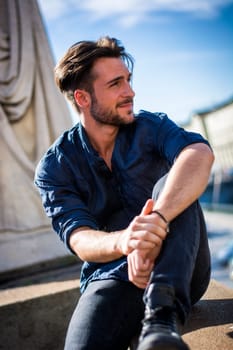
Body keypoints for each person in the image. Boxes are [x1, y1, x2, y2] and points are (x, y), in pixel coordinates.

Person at [34, 36, 214, 350]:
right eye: (116, 84)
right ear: (83, 98)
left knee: (173, 181)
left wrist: (155, 220)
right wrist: (127, 240)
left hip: (181, 268)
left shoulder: (152, 127)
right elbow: (79, 238)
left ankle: (162, 319)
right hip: (111, 277)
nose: (130, 92)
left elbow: (198, 154)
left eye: (128, 81)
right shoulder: (54, 168)